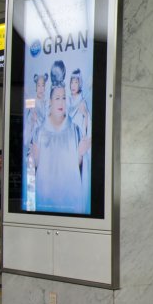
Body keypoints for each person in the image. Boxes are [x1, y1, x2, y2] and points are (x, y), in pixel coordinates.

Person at [30, 61, 91, 214]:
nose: (61, 102)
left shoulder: (75, 130)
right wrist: (35, 159)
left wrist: (81, 154)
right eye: (57, 98)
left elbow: (77, 164)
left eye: (64, 98)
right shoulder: (39, 132)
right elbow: (34, 166)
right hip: (45, 199)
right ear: (50, 101)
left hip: (70, 200)